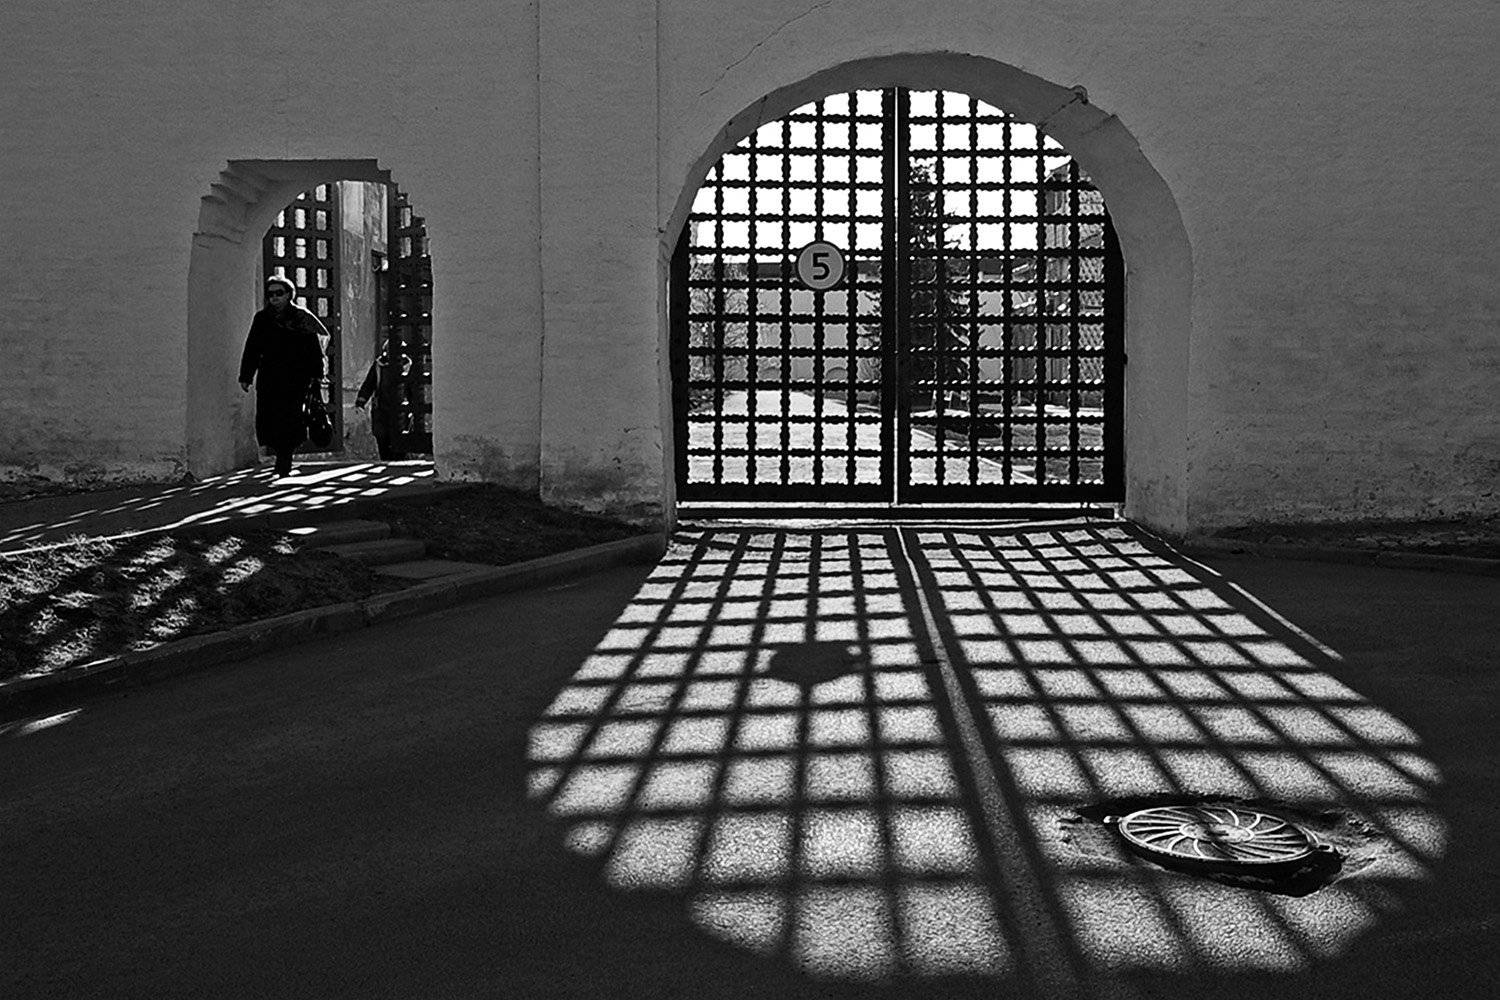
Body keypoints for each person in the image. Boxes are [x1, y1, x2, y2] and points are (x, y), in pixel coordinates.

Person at [238, 275, 328, 477]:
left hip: (296, 379)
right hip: (270, 377)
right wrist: (246, 375)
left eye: (279, 293)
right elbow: (253, 348)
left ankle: (284, 459)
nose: (274, 298)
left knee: (291, 419)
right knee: (270, 418)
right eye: (271, 294)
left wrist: (317, 375)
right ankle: (281, 454)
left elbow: (314, 349)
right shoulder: (262, 319)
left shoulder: (301, 318)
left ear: (289, 294)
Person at [354, 337, 414, 460]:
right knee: (382, 438)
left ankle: (399, 459)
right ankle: (386, 458)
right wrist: (361, 401)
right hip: (381, 408)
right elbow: (369, 384)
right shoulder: (378, 365)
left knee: (400, 438)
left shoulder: (407, 365)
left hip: (401, 409)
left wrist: (413, 407)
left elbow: (412, 388)